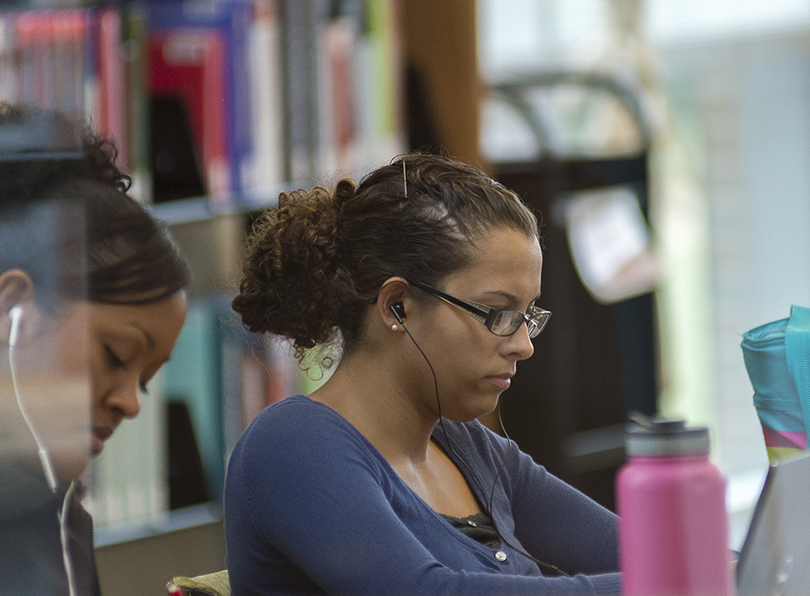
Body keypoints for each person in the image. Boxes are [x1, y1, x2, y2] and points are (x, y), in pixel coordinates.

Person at [226, 153, 621, 596]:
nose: (523, 345)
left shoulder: (469, 448)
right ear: (398, 305)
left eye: (527, 316)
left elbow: (643, 552)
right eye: (497, 313)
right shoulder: (293, 445)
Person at [0, 103, 190, 596]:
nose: (130, 404)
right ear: (13, 308)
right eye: (115, 355)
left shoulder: (58, 512)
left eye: (144, 381)